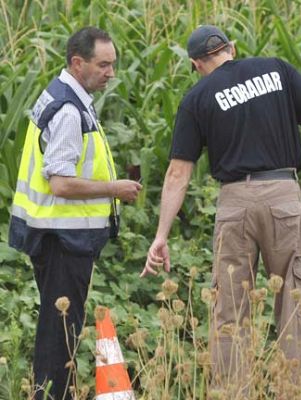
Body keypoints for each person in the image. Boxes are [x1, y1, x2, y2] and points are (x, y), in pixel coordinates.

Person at [142, 25, 301, 391]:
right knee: (293, 300)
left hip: (235, 201)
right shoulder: (276, 69)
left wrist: (161, 236)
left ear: (196, 63)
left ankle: (234, 393)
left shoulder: (197, 96)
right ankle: (294, 391)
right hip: (283, 193)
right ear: (231, 48)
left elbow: (177, 173)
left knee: (230, 308)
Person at [8, 27, 142, 399]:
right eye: (103, 64)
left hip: (54, 234)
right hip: (63, 238)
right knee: (60, 332)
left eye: (113, 64)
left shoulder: (64, 93)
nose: (111, 73)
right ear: (77, 62)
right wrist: (115, 188)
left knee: (57, 327)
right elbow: (61, 183)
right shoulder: (69, 109)